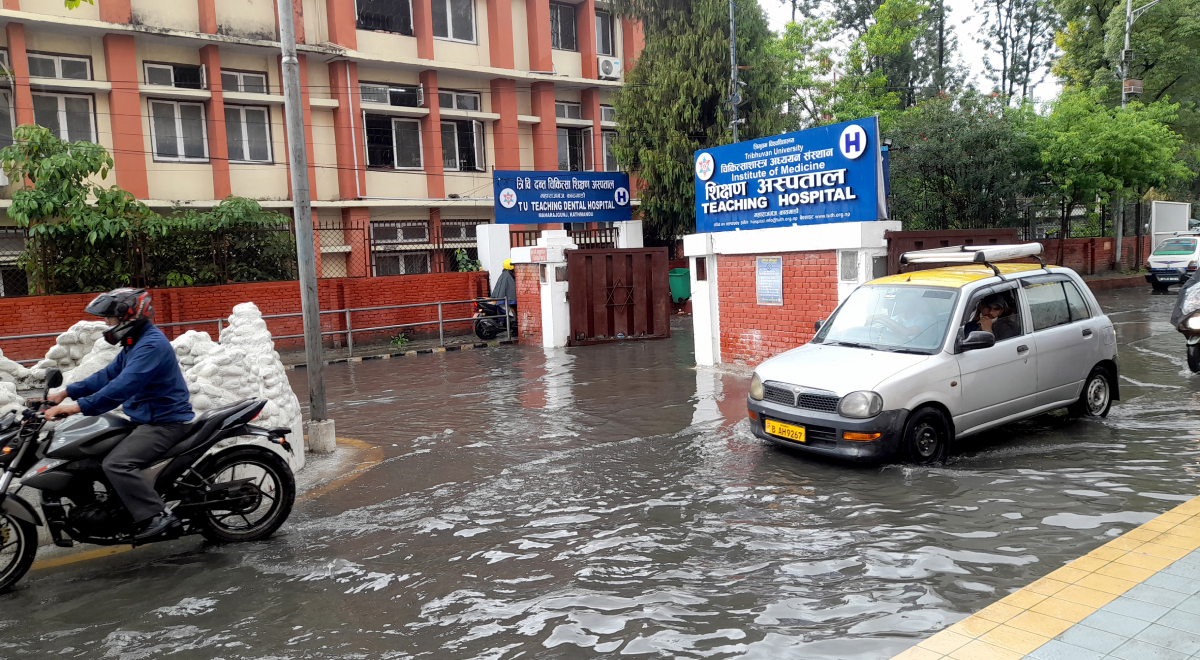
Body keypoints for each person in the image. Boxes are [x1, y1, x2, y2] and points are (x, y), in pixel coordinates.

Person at [43, 288, 194, 541]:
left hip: (163, 422)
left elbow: (122, 386)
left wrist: (75, 407)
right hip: (143, 420)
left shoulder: (151, 345)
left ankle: (158, 516)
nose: (106, 323)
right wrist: (66, 392)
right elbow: (108, 375)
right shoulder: (135, 343)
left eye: (110, 318)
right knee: (95, 452)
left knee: (117, 463)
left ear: (128, 316)